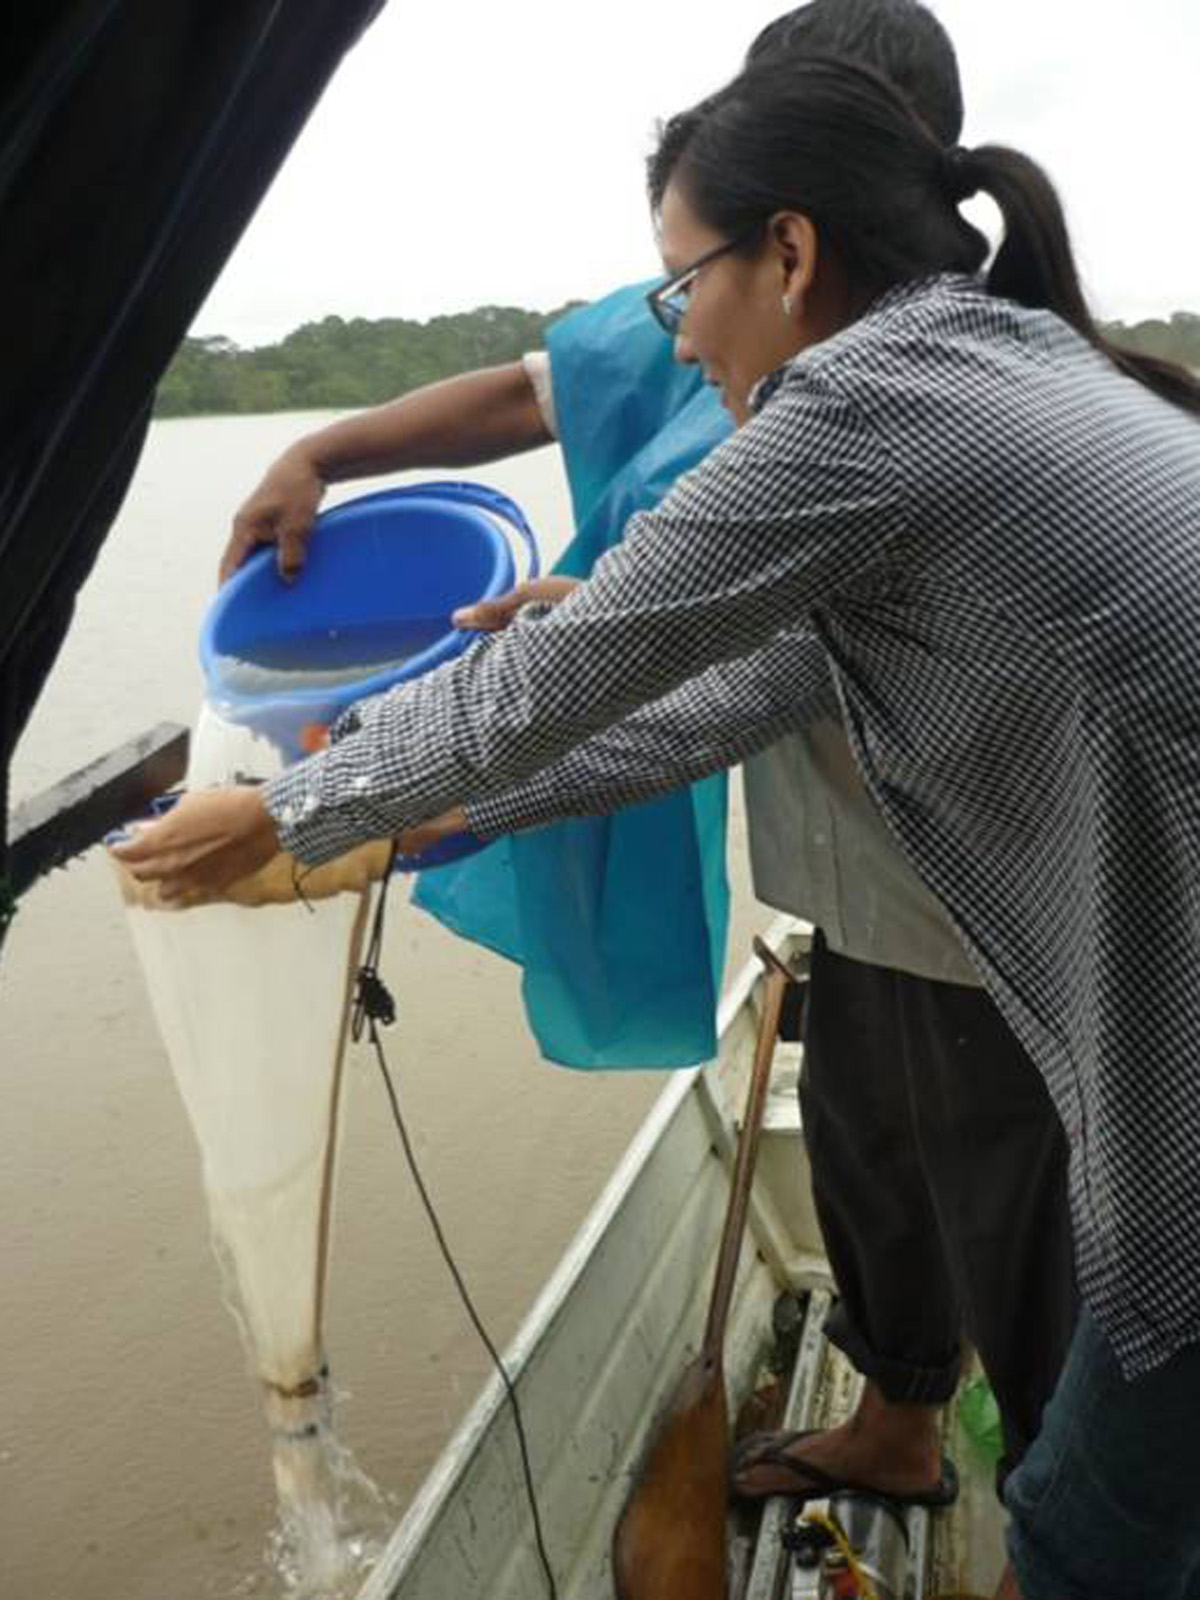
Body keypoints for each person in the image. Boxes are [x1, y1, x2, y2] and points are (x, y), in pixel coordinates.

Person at [118, 47, 1200, 1599]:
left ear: (791, 252)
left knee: (1090, 1528)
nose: (677, 337)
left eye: (677, 283)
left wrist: (292, 803)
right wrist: (393, 830)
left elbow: (556, 676)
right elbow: (705, 698)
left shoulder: (866, 401)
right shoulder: (992, 361)